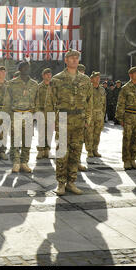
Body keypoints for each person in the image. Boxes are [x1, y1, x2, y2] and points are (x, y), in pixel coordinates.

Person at [46, 49, 93, 196]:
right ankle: (61, 183)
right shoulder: (57, 79)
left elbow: (90, 101)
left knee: (76, 152)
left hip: (79, 119)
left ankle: (71, 182)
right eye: (71, 58)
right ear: (65, 60)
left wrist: (88, 119)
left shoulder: (85, 80)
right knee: (62, 153)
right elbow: (50, 102)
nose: (74, 60)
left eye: (76, 58)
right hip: (63, 119)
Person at [5, 61, 38, 173]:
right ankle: (16, 162)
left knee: (27, 140)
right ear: (19, 69)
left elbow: (37, 101)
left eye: (28, 67)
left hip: (29, 114)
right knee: (15, 140)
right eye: (24, 67)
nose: (27, 69)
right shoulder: (12, 83)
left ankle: (24, 162)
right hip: (16, 114)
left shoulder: (34, 84)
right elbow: (7, 101)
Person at [115, 67, 136, 171]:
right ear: (130, 75)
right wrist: (120, 118)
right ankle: (126, 160)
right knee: (127, 139)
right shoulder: (126, 88)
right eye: (135, 73)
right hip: (129, 116)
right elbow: (120, 104)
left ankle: (133, 159)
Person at [85, 71, 106, 159]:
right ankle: (89, 150)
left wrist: (103, 114)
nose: (98, 79)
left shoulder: (102, 89)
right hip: (90, 114)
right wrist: (85, 117)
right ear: (91, 79)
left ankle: (95, 149)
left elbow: (104, 103)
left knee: (97, 133)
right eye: (96, 77)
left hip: (99, 114)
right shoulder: (87, 89)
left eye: (99, 77)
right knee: (89, 133)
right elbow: (84, 103)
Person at [36, 68, 52, 160]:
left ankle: (47, 150)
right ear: (43, 76)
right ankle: (40, 151)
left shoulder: (53, 87)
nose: (48, 76)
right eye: (46, 74)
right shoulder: (39, 87)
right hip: (41, 112)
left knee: (49, 133)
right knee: (41, 133)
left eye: (50, 74)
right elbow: (36, 100)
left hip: (50, 113)